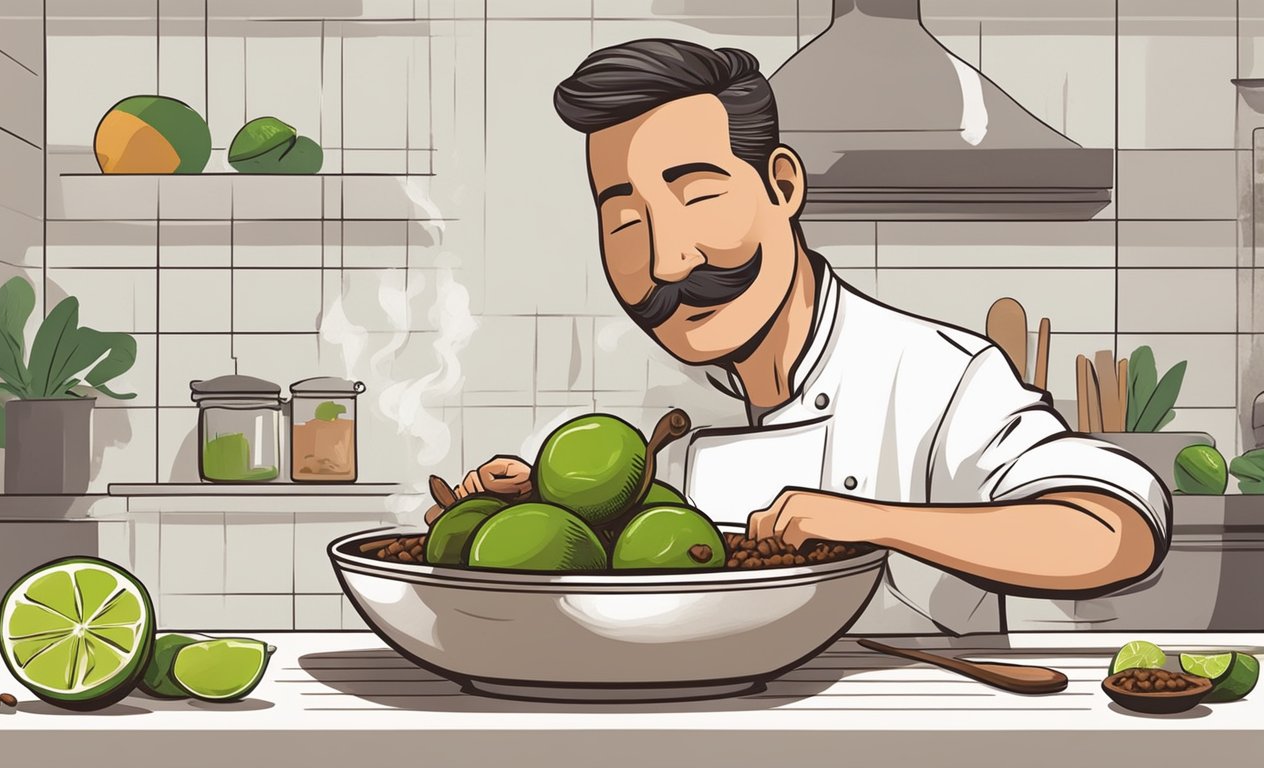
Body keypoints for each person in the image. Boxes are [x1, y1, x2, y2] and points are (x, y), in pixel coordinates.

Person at [438, 39, 1169, 633]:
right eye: (625, 220)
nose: (666, 260)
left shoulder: (934, 376)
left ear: (782, 185)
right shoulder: (664, 402)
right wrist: (555, 504)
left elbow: (1113, 531)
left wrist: (864, 521)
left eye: (698, 196)